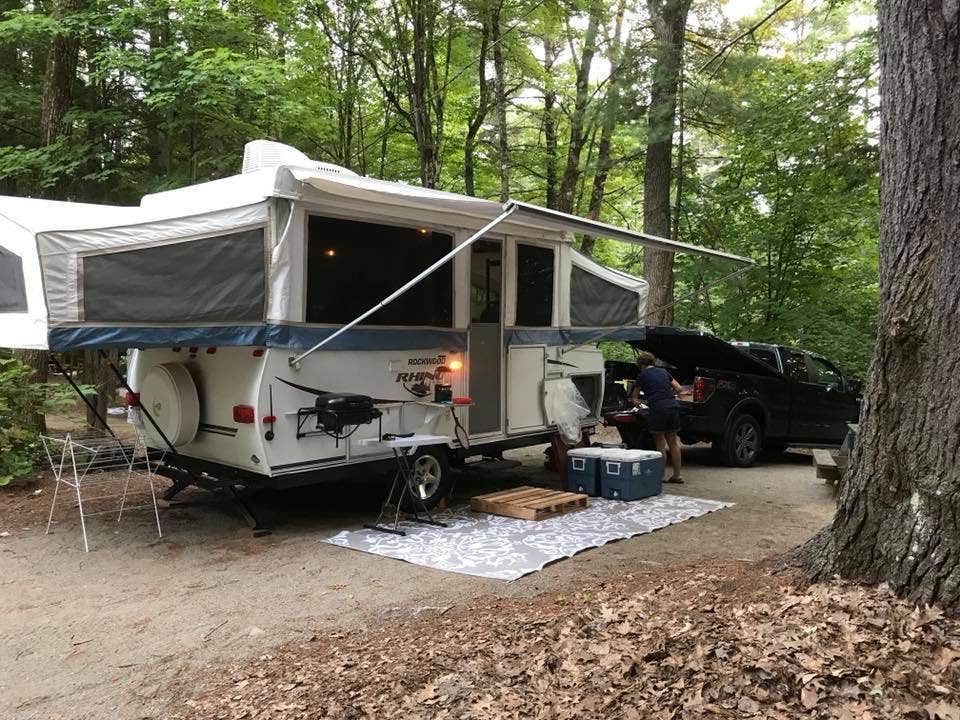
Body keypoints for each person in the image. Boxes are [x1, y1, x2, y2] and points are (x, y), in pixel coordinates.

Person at [629, 351, 683, 483]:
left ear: (640, 364)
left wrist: (640, 402)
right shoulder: (664, 372)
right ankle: (677, 476)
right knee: (673, 442)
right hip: (672, 406)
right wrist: (667, 394)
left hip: (658, 408)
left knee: (660, 443)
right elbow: (679, 388)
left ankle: (661, 476)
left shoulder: (642, 375)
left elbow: (634, 398)